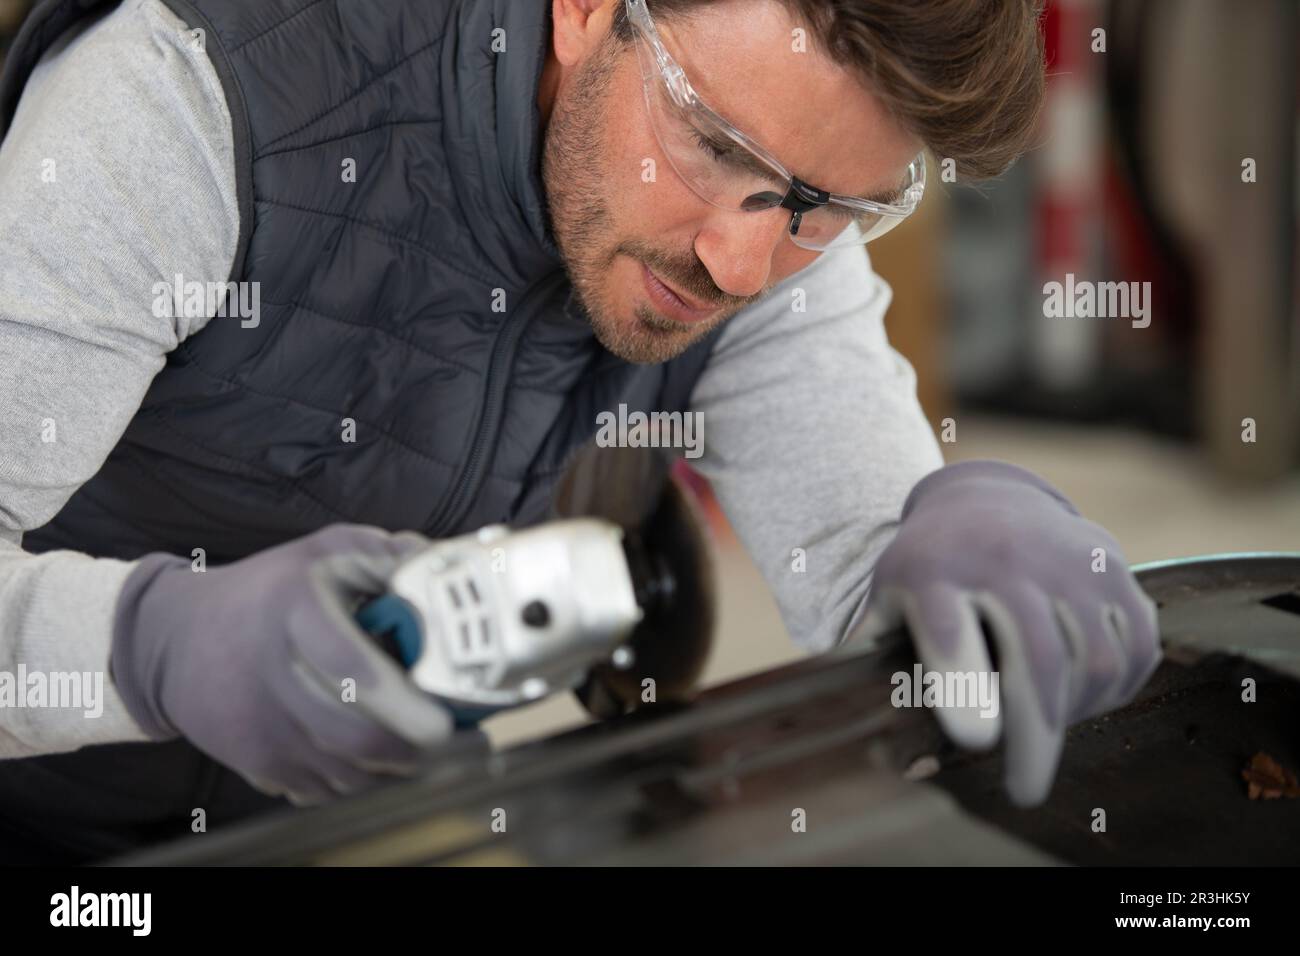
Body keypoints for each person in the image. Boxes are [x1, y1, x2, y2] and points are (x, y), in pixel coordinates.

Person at [0, 0, 1158, 862]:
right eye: (714, 147)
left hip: (363, 823)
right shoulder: (183, 102)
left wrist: (948, 537)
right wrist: (144, 646)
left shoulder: (766, 216)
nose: (741, 263)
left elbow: (865, 565)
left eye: (832, 207)